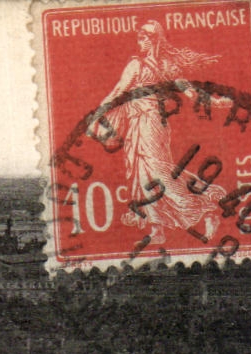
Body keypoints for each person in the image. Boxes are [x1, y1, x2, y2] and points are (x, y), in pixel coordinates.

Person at [93, 21, 226, 244]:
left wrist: (215, 102)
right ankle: (157, 230)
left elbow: (190, 92)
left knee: (157, 171)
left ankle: (207, 209)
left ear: (155, 39)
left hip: (153, 123)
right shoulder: (136, 64)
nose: (140, 43)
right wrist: (100, 111)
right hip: (137, 124)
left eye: (144, 38)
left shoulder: (166, 66)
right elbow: (118, 91)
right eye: (139, 38)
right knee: (141, 173)